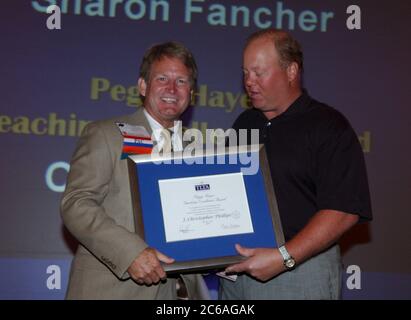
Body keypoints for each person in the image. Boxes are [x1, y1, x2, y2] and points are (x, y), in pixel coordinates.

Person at [219, 29, 372, 299]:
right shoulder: (244, 123)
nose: (249, 82)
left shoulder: (328, 126)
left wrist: (284, 257)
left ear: (291, 71)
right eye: (245, 73)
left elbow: (344, 211)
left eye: (258, 72)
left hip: (298, 272)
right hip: (236, 274)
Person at [61, 41, 207, 299]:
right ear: (142, 86)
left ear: (191, 92)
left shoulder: (201, 149)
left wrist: (230, 250)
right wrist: (130, 253)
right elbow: (76, 203)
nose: (172, 89)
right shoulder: (106, 135)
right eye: (162, 78)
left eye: (182, 81)